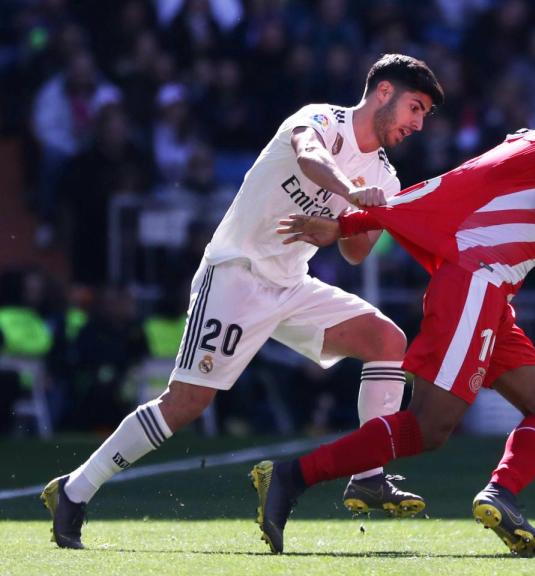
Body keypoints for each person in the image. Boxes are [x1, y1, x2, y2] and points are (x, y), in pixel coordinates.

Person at [256, 71, 535, 555]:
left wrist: (346, 225)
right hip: (474, 285)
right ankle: (291, 477)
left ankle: (501, 494)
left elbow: (446, 190)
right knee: (427, 427)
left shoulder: (534, 143)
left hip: (490, 297)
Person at [41, 54, 445, 550]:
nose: (418, 125)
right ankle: (74, 491)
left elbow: (355, 253)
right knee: (186, 403)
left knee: (387, 339)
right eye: (415, 108)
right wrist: (351, 194)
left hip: (292, 283)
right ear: (383, 92)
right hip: (235, 273)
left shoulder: (385, 176)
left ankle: (368, 474)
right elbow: (308, 157)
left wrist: (365, 221)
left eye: (424, 115)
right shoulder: (319, 119)